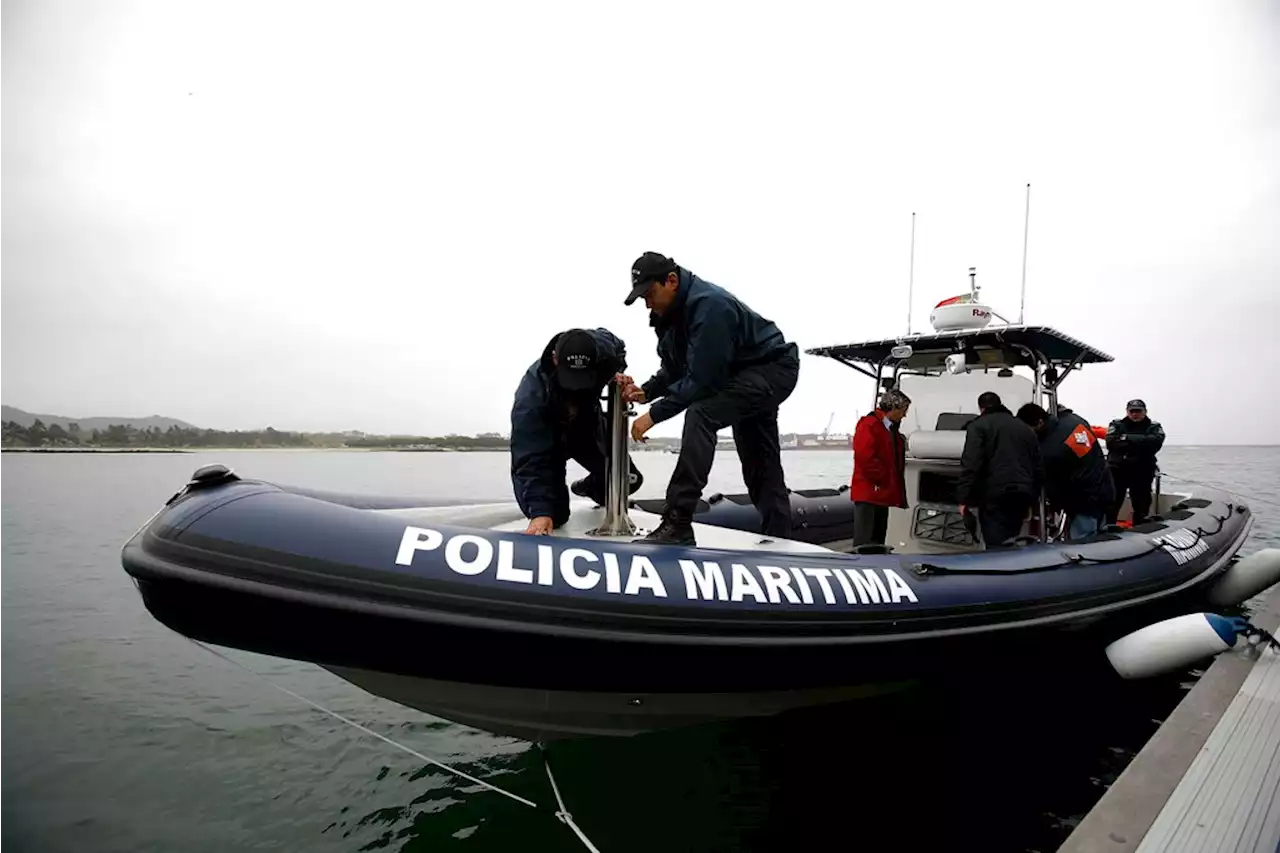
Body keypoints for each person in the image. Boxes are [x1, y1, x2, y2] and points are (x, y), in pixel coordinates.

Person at [615, 252, 800, 546]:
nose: (647, 304)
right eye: (641, 298)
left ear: (671, 281)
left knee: (702, 414)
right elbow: (677, 369)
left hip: (771, 369)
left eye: (649, 294)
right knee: (759, 462)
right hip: (737, 374)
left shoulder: (710, 306)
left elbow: (702, 379)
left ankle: (678, 522)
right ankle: (780, 539)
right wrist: (647, 392)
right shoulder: (670, 315)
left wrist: (654, 415)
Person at [510, 328, 643, 535]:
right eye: (571, 380)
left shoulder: (605, 349)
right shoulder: (531, 400)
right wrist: (540, 512)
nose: (576, 389)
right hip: (549, 438)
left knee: (629, 480)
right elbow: (531, 458)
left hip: (586, 429)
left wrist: (615, 373)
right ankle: (550, 506)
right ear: (555, 359)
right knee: (555, 515)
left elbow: (619, 349)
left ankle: (587, 487)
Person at [1016, 402, 1115, 540]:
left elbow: (1050, 483)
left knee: (1083, 545)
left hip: (1083, 500)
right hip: (1103, 487)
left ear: (1039, 423)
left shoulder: (1050, 449)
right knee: (1099, 538)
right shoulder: (1074, 420)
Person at [957, 391, 1045, 549]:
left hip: (995, 495)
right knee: (1011, 541)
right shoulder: (1024, 428)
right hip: (1021, 495)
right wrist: (1032, 499)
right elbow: (1038, 467)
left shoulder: (978, 426)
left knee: (996, 547)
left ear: (981, 409)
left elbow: (971, 464)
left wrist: (964, 499)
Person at [850, 389, 912, 547]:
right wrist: (884, 478)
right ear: (893, 408)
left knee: (877, 539)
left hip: (880, 492)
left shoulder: (889, 429)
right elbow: (865, 457)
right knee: (865, 540)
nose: (904, 415)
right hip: (871, 492)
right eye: (903, 411)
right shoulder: (869, 424)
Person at [1105, 398, 1166, 526]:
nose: (1135, 414)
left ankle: (1139, 529)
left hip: (1142, 472)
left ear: (1145, 411)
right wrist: (1142, 441)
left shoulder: (1154, 426)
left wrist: (1126, 438)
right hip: (1118, 471)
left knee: (1141, 504)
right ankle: (1107, 528)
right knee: (1112, 503)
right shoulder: (1117, 424)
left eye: (1138, 411)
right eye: (1132, 411)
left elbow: (1155, 443)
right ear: (1127, 411)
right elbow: (1111, 443)